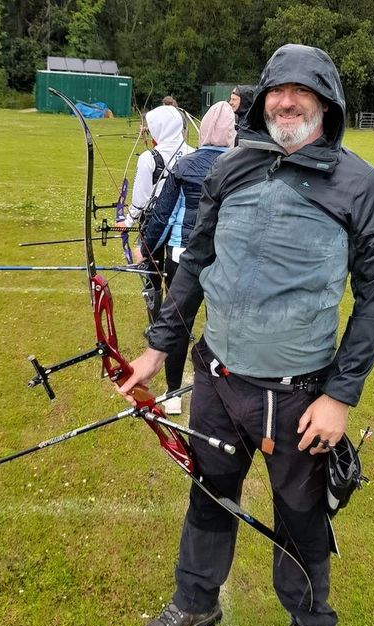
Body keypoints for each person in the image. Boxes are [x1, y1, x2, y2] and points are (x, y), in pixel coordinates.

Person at [118, 44, 374, 626]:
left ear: (327, 103)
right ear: (263, 98)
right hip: (217, 379)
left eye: (303, 92)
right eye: (277, 90)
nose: (288, 101)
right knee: (209, 497)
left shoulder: (361, 187)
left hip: (296, 397)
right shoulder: (232, 167)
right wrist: (157, 349)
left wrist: (340, 396)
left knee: (300, 520)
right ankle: (195, 602)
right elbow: (193, 262)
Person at [136, 101, 236, 414]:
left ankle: (174, 392)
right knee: (223, 323)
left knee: (180, 320)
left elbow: (162, 216)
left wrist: (146, 247)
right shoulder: (242, 166)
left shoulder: (185, 165)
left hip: (182, 256)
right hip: (225, 261)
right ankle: (218, 393)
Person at [124, 105, 194, 328]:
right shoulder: (195, 153)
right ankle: (174, 325)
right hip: (182, 228)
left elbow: (140, 200)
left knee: (152, 276)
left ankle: (157, 326)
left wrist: (127, 222)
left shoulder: (149, 158)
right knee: (176, 278)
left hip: (155, 225)